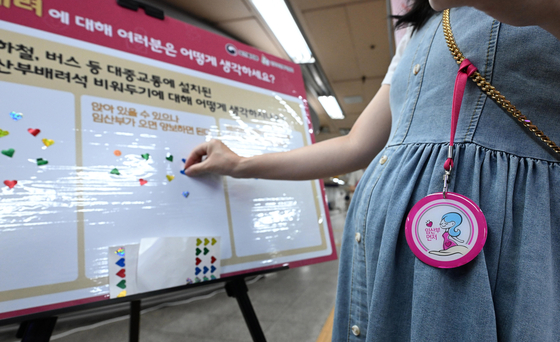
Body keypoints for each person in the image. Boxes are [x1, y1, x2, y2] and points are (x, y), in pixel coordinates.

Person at [185, 0, 560, 340]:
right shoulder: (415, 33)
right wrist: (239, 164)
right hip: (379, 250)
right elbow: (355, 145)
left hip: (503, 238)